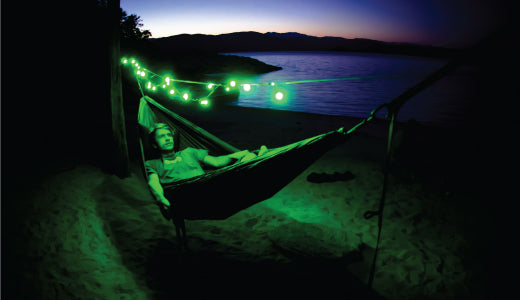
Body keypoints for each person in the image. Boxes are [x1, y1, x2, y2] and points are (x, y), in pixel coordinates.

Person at [145, 123, 268, 207]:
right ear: (155, 144)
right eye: (162, 136)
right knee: (248, 163)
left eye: (169, 135)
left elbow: (216, 162)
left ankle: (258, 158)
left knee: (247, 157)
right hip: (185, 195)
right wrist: (160, 198)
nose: (167, 139)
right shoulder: (153, 164)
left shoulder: (189, 152)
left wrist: (235, 155)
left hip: (209, 187)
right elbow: (153, 182)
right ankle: (259, 158)